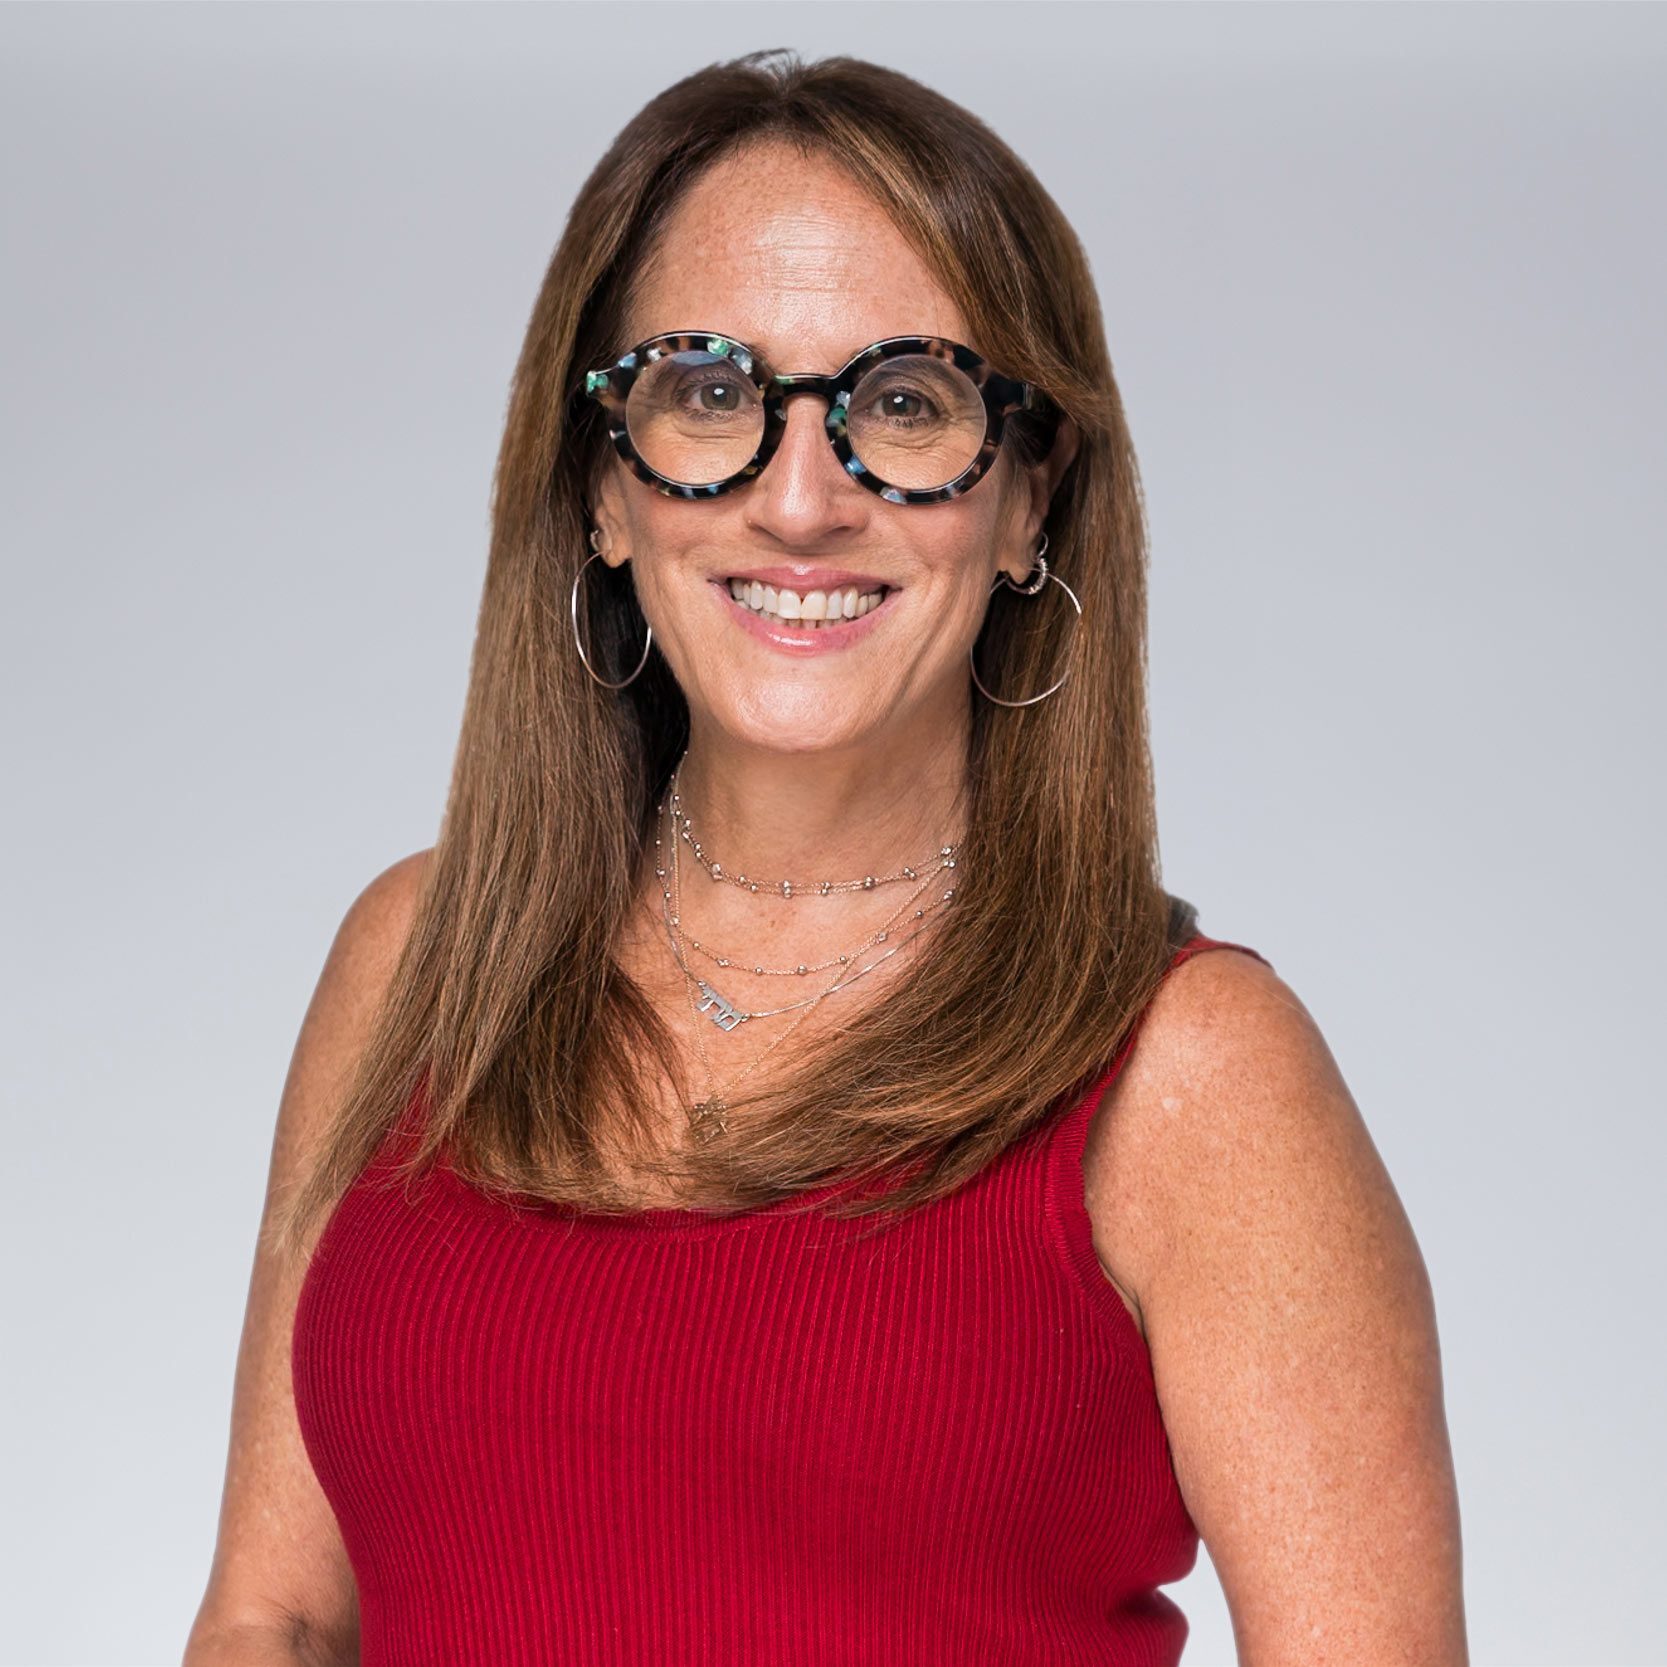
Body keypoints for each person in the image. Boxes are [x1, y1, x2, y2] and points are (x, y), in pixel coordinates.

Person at [184, 48, 1467, 1667]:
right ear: (598, 483)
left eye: (906, 404)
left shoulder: (1194, 1074)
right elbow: (272, 1618)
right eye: (711, 393)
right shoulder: (421, 962)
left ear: (1027, 504)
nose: (800, 502)